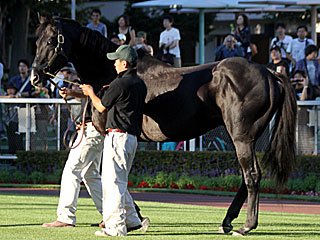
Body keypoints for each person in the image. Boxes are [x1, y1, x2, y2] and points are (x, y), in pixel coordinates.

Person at [80, 45, 147, 237]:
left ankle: (116, 227)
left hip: (117, 137)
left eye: (116, 60)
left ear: (124, 63)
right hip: (131, 138)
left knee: (113, 183)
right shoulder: (140, 83)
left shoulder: (119, 83)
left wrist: (90, 92)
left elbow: (101, 106)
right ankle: (132, 220)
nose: (114, 63)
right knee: (120, 181)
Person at [2, 82, 23, 153]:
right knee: (11, 141)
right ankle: (11, 156)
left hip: (17, 123)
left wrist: (17, 97)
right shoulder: (5, 96)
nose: (10, 91)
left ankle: (18, 157)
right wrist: (8, 97)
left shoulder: (18, 96)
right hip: (8, 122)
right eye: (8, 89)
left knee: (18, 141)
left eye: (12, 89)